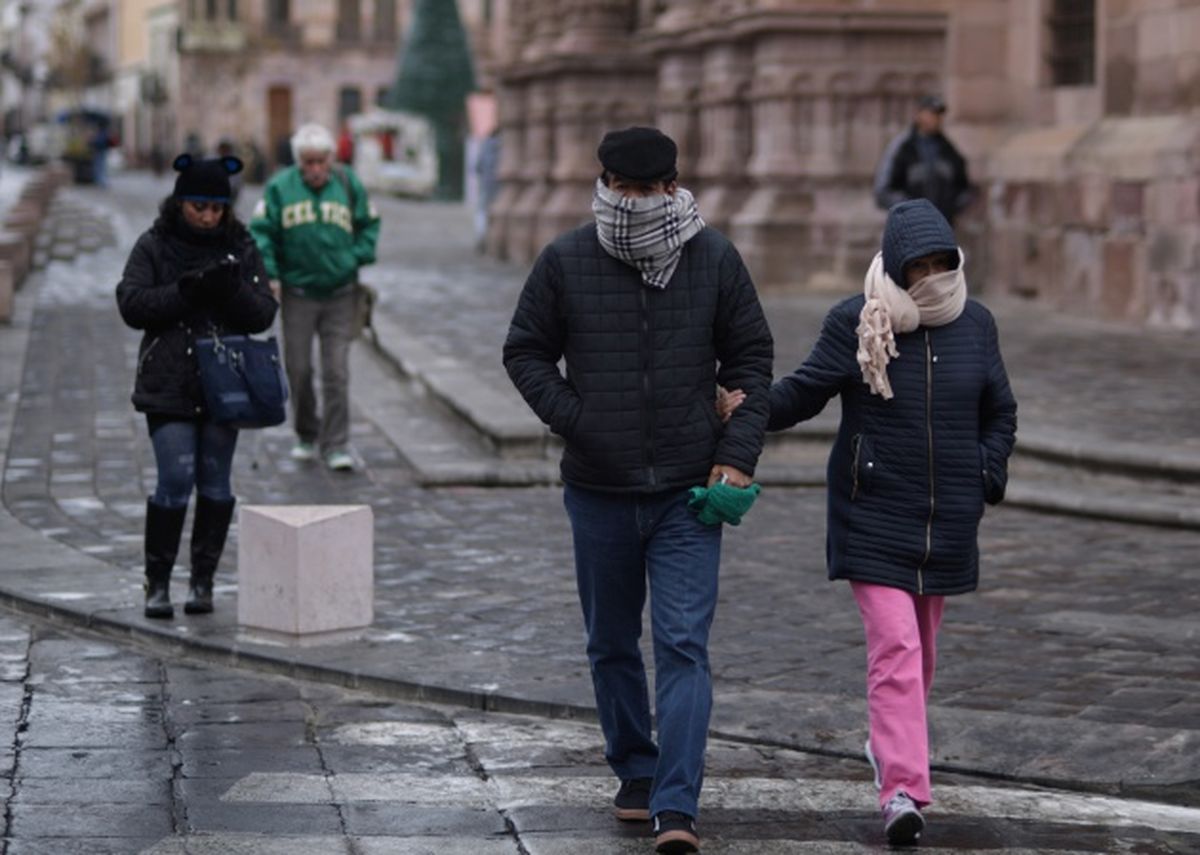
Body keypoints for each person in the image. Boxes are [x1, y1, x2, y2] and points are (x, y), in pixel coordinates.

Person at [503, 126, 774, 855]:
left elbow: (751, 357)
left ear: (671, 187)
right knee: (611, 642)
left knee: (684, 644)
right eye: (619, 188)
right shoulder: (565, 259)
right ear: (604, 184)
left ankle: (676, 803)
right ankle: (635, 767)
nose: (633, 202)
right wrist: (577, 419)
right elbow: (524, 349)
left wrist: (737, 453)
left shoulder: (714, 257)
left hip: (688, 492)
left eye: (646, 190)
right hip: (598, 487)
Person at [719, 199, 1017, 846]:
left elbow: (1000, 411)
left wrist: (986, 470)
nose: (934, 276)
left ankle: (888, 740)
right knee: (897, 649)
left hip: (947, 521)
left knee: (920, 655)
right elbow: (804, 390)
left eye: (944, 262)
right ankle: (902, 790)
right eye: (922, 266)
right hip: (872, 513)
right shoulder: (859, 321)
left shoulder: (977, 325)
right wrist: (746, 410)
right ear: (899, 266)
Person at [116, 154, 278, 619]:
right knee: (174, 479)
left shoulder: (241, 245)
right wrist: (185, 291)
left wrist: (229, 290)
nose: (208, 217)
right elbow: (131, 303)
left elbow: (264, 312)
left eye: (216, 208)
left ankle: (203, 581)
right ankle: (158, 582)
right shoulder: (155, 244)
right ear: (181, 202)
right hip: (169, 379)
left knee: (215, 482)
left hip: (225, 382)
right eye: (199, 206)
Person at [249, 122, 380, 471]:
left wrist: (355, 257)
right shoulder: (280, 188)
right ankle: (307, 432)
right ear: (298, 162)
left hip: (341, 293)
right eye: (308, 162)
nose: (316, 169)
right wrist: (271, 273)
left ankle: (336, 443)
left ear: (331, 159)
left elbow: (369, 224)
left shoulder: (348, 184)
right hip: (298, 294)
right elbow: (261, 233)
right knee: (300, 368)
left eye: (322, 161)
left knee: (336, 371)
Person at [873, 95, 973, 225]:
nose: (936, 119)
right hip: (910, 228)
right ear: (919, 114)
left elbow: (964, 188)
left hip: (941, 227)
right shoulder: (902, 148)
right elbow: (883, 191)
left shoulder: (949, 150)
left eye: (939, 115)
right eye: (931, 113)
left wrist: (950, 209)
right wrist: (910, 210)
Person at [473, 128, 501, 253]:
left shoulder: (485, 145)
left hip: (486, 186)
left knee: (482, 214)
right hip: (502, 188)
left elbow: (477, 167)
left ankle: (482, 239)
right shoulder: (506, 147)